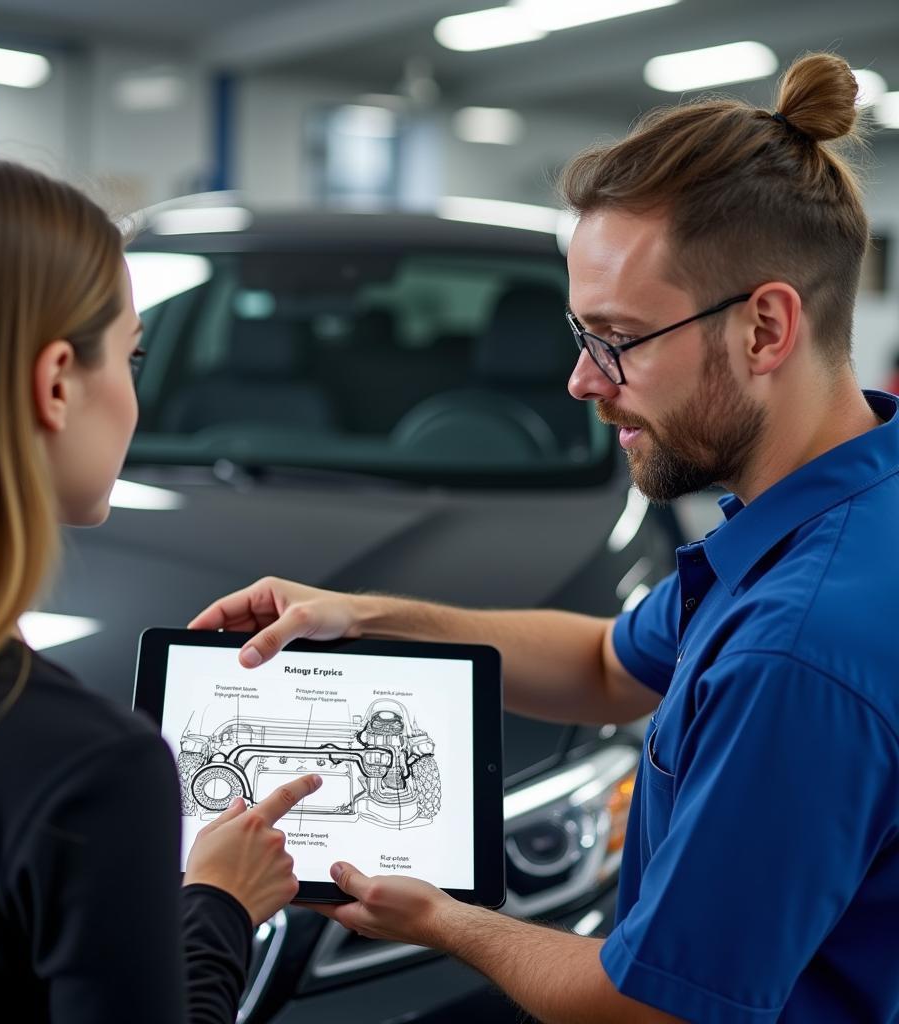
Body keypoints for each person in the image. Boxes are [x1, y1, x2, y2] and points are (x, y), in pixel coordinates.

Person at [191, 53, 899, 1023]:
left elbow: (650, 1006)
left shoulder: (797, 647)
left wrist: (446, 920)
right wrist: (363, 618)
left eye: (616, 337)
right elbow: (609, 665)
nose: (581, 380)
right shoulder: (841, 503)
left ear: (763, 330)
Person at [0, 151, 321, 1023]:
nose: (134, 398)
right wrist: (219, 906)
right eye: (133, 356)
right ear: (55, 385)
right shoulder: (88, 770)